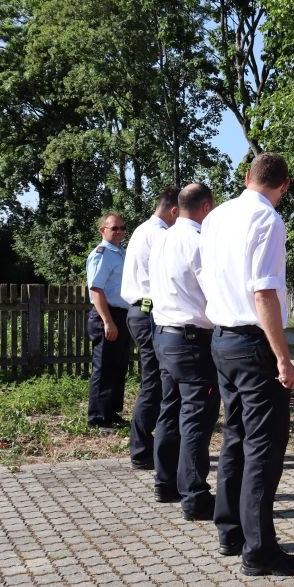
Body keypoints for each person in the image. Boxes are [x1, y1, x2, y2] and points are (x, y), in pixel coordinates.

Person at [198, 152, 294, 576]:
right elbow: (264, 294)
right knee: (263, 447)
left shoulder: (217, 217)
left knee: (237, 436)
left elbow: (205, 276)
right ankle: (260, 550)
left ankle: (230, 532)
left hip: (221, 338)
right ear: (284, 186)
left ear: (247, 177)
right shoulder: (268, 221)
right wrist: (283, 359)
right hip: (252, 342)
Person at [149, 183, 219, 519]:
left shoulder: (161, 239)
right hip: (192, 340)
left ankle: (165, 483)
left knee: (169, 409)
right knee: (195, 417)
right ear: (206, 207)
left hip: (163, 334)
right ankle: (194, 495)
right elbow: (214, 290)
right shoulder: (199, 241)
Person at [121, 187, 179, 470]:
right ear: (174, 211)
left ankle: (146, 448)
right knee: (154, 383)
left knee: (154, 382)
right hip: (148, 312)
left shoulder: (143, 230)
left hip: (141, 311)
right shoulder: (159, 234)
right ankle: (142, 450)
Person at [86, 213, 131, 432]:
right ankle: (98, 417)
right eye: (115, 228)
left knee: (118, 364)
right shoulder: (101, 254)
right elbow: (96, 290)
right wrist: (107, 321)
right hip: (106, 313)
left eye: (122, 228)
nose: (120, 232)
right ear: (102, 230)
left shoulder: (120, 253)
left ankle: (112, 412)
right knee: (103, 366)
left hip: (121, 314)